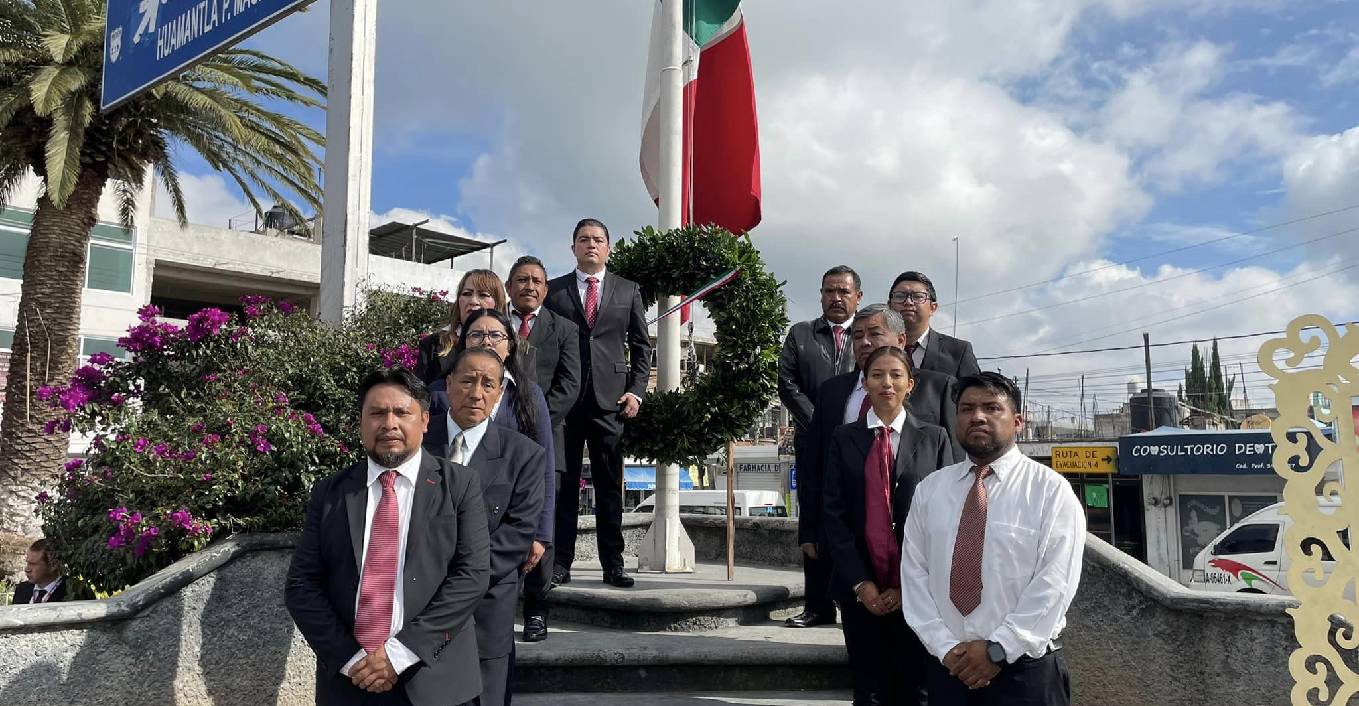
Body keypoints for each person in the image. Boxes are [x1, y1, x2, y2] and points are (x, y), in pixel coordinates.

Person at [285, 368, 490, 706]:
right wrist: (351, 660)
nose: (389, 423)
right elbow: (302, 585)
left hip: (435, 679)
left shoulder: (459, 485)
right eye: (377, 413)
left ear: (425, 421)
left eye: (401, 412)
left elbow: (472, 576)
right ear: (361, 422)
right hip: (351, 680)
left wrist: (398, 653)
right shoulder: (332, 493)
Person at [900, 372, 1085, 706]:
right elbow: (914, 576)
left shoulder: (1049, 490)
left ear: (1017, 421)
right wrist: (945, 648)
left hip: (1024, 674)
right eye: (967, 408)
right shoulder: (930, 491)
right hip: (950, 670)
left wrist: (999, 649)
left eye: (991, 407)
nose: (977, 416)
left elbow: (1055, 583)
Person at [821, 346, 958, 705]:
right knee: (869, 691)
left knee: (918, 689)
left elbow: (944, 517)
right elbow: (834, 515)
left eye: (896, 375)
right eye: (877, 375)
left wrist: (903, 586)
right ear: (865, 383)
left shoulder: (935, 438)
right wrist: (861, 583)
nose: (887, 383)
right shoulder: (844, 438)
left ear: (910, 384)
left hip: (918, 592)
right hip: (859, 588)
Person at [421, 348, 545, 706]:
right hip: (418, 608)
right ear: (448, 385)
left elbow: (517, 534)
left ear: (500, 393)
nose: (476, 393)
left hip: (486, 610)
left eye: (488, 384)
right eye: (467, 381)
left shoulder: (524, 455)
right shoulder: (418, 447)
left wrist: (457, 579)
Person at [544, 218, 651, 589]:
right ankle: (560, 563)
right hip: (565, 404)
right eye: (583, 239)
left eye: (598, 240)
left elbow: (641, 345)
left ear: (608, 248)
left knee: (608, 487)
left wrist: (636, 390)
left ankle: (613, 565)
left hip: (612, 402)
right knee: (565, 487)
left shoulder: (627, 289)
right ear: (572, 247)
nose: (591, 245)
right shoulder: (554, 291)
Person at [779, 265, 862, 627]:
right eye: (829, 291)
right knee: (813, 519)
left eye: (843, 291)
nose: (836, 298)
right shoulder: (801, 334)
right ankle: (817, 606)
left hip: (858, 443)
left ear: (858, 296)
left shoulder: (867, 335)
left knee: (855, 519)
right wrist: (819, 421)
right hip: (813, 443)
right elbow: (787, 383)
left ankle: (855, 603)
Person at [505, 255, 581, 641]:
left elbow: (569, 385)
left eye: (536, 280)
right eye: (521, 280)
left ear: (546, 290)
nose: (529, 286)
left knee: (541, 529)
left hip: (547, 440)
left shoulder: (564, 329)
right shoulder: (494, 327)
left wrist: (533, 422)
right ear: (508, 287)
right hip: (496, 443)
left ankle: (537, 611)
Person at [415, 269, 507, 385]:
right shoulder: (432, 344)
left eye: (483, 295)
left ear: (498, 303)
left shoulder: (512, 346)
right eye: (467, 294)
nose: (473, 301)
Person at [888, 272, 980, 379]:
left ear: (933, 308)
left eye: (918, 296)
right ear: (889, 305)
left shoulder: (958, 352)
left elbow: (976, 393)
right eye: (900, 296)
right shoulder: (876, 348)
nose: (908, 302)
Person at [12, 538, 66, 604]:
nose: (27, 569)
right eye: (27, 563)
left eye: (33, 564)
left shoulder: (70, 591)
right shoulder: (21, 589)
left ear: (53, 565)